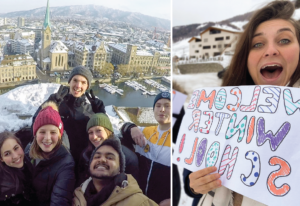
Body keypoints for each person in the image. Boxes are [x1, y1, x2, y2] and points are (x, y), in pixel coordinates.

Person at [188, 1, 300, 206]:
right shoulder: (222, 108)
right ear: (246, 59)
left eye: (284, 40)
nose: (271, 50)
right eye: (258, 44)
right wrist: (195, 185)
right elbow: (195, 172)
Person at [31, 65, 106, 175]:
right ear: (69, 81)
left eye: (83, 82)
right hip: (58, 160)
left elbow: (105, 134)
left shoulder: (89, 109)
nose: (78, 85)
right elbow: (36, 124)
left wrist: (101, 113)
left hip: (82, 162)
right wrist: (50, 104)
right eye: (75, 80)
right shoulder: (58, 102)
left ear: (87, 86)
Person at [72, 138, 158, 206]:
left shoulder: (140, 203)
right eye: (97, 157)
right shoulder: (77, 196)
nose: (102, 159)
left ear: (120, 169)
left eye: (109, 157)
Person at [121, 91, 171, 205]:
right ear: (153, 109)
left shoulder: (180, 139)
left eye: (167, 106)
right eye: (158, 105)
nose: (162, 109)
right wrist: (131, 127)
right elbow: (121, 131)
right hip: (137, 200)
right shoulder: (144, 132)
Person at [27, 101, 76, 205]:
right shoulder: (28, 151)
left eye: (53, 132)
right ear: (35, 134)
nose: (47, 138)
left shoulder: (65, 164)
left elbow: (60, 199)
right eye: (42, 132)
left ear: (60, 135)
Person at [77, 113, 139, 186]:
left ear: (108, 131)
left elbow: (132, 187)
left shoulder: (128, 158)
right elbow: (81, 182)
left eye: (98, 131)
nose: (94, 137)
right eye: (90, 132)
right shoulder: (85, 155)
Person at [0, 131, 35, 205]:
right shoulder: (9, 189)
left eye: (16, 148)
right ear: (1, 159)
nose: (15, 156)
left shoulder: (26, 162)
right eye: (7, 154)